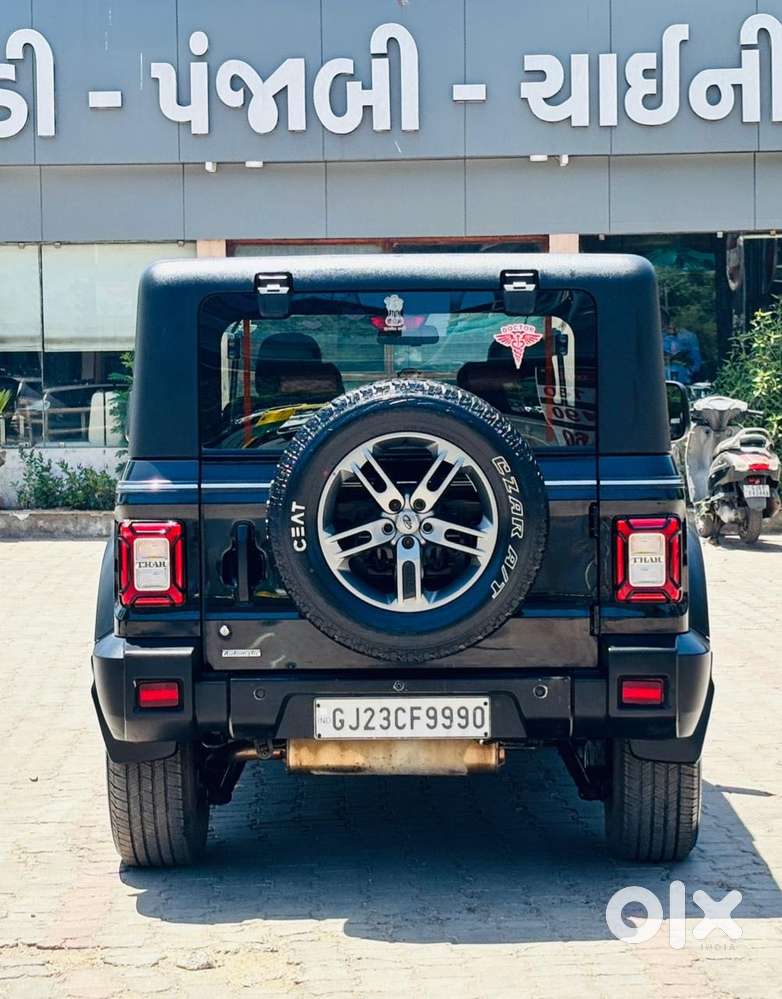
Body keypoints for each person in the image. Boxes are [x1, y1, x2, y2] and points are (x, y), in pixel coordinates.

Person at [662, 309, 702, 384]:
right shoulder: (653, 339)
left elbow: (696, 361)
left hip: (683, 381)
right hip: (659, 382)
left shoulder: (688, 337)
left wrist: (688, 372)